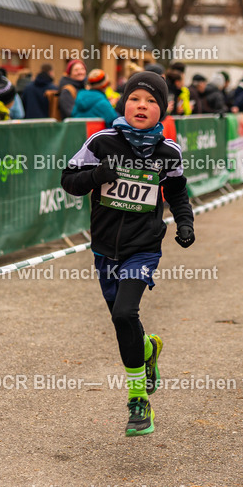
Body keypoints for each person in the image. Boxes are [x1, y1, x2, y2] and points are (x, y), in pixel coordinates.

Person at [60, 71, 195, 436]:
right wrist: (97, 175)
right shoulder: (101, 141)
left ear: (162, 111)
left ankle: (138, 401)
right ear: (123, 103)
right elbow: (68, 180)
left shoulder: (169, 153)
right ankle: (148, 348)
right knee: (125, 324)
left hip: (143, 248)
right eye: (136, 98)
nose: (142, 106)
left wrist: (185, 224)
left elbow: (179, 193)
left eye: (152, 101)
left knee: (124, 311)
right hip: (105, 249)